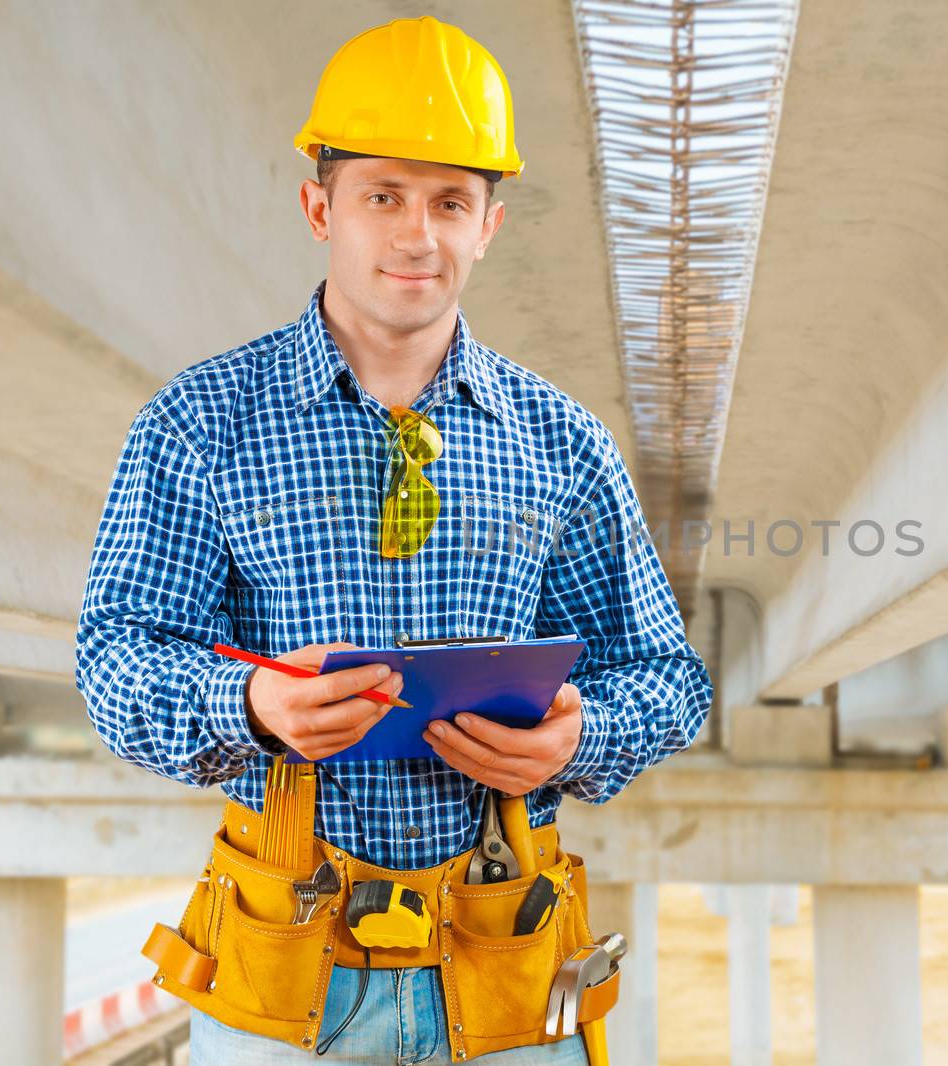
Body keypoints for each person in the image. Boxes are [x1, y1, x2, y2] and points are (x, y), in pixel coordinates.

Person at [75, 15, 712, 1064]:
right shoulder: (201, 423)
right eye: (383, 196)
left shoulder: (562, 442)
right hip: (286, 984)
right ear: (319, 206)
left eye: (449, 202)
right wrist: (252, 703)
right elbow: (114, 659)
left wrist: (578, 736)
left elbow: (668, 678)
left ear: (488, 226)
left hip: (502, 977)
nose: (417, 234)